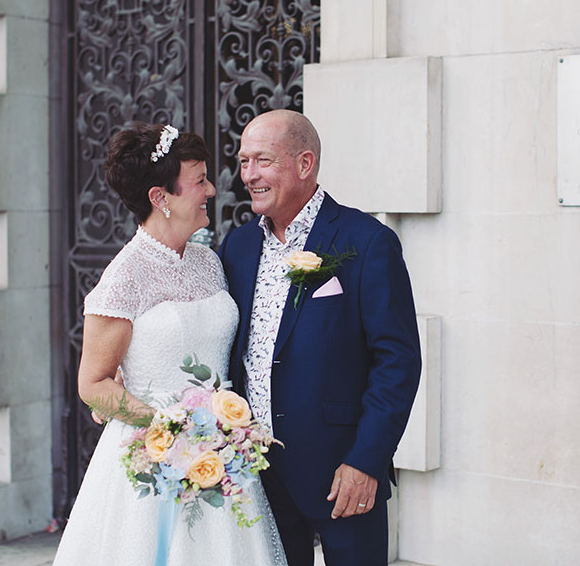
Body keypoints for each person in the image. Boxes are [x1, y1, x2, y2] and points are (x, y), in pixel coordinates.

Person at [53, 122, 286, 566]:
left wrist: (220, 431)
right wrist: (175, 431)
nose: (212, 190)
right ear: (161, 197)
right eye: (199, 181)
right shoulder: (124, 277)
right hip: (156, 456)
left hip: (224, 453)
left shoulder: (208, 262)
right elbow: (93, 384)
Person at [218, 110, 422, 566]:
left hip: (342, 473)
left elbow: (398, 362)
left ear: (304, 163)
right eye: (244, 161)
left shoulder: (367, 242)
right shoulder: (238, 246)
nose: (248, 175)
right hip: (257, 476)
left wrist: (366, 460)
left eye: (263, 161)